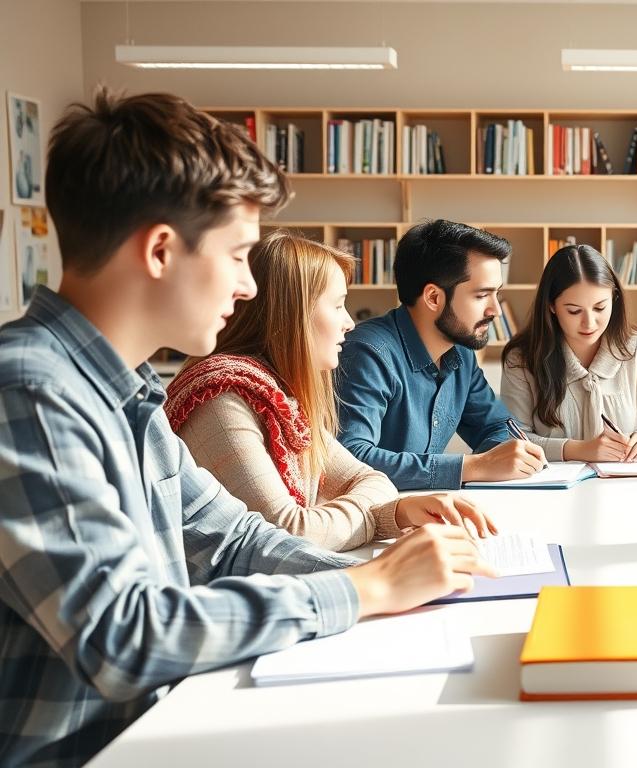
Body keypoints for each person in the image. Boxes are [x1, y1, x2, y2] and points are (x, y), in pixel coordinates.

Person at [0, 89, 493, 766]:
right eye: (237, 255)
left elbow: (232, 539)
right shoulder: (30, 392)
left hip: (157, 728)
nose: (249, 287)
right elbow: (122, 636)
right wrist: (363, 588)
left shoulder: (129, 393)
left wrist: (391, 575)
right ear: (161, 251)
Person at [166, 231, 497, 552]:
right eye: (338, 306)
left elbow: (372, 479)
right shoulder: (223, 401)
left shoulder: (280, 397)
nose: (350, 323)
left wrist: (398, 512)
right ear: (293, 314)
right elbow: (290, 534)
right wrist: (376, 515)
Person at [335, 220, 546, 490]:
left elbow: (497, 427)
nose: (496, 310)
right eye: (482, 295)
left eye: (497, 293)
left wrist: (509, 455)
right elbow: (351, 459)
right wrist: (474, 466)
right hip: (371, 512)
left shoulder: (460, 353)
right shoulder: (367, 353)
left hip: (429, 507)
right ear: (433, 298)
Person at [500, 244, 637, 462]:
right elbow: (513, 440)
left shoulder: (636, 349)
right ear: (551, 306)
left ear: (614, 298)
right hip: (552, 482)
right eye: (574, 311)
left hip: (623, 479)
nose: (589, 323)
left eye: (600, 308)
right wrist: (579, 450)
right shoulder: (521, 359)